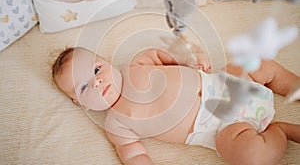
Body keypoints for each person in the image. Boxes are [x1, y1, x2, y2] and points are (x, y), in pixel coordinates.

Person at [52, 46, 300, 165]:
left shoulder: (134, 64)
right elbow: (134, 154)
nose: (97, 82)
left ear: (106, 61)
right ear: (79, 103)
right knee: (251, 157)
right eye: (83, 87)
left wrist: (188, 60)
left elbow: (164, 56)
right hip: (225, 128)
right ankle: (280, 132)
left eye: (96, 69)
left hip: (225, 83)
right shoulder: (116, 124)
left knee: (258, 63)